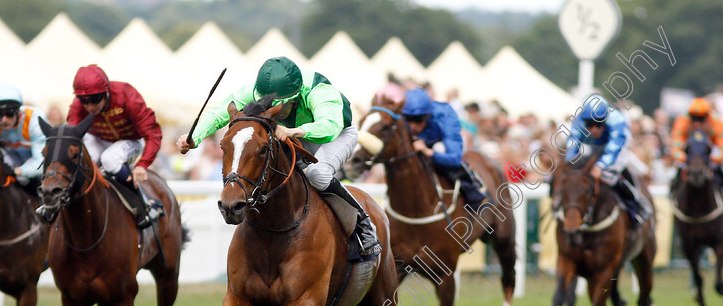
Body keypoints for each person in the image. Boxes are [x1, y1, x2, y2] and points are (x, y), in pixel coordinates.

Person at [176, 56, 380, 257]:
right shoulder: (257, 90)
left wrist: (295, 131)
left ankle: (363, 224)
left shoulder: (319, 90)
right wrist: (194, 137)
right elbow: (220, 113)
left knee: (317, 174)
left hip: (336, 134)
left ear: (295, 95)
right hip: (295, 133)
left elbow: (329, 126)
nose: (274, 107)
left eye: (280, 104)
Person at [67, 64, 163, 227]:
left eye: (95, 100)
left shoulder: (126, 95)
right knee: (84, 159)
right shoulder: (78, 106)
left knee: (109, 158)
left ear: (106, 91)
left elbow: (152, 134)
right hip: (98, 139)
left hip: (131, 141)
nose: (90, 107)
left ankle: (143, 203)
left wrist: (142, 165)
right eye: (84, 101)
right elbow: (70, 135)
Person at [566, 94, 652, 227]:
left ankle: (638, 206)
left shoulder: (617, 121)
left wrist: (600, 165)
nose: (594, 129)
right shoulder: (579, 121)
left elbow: (613, 149)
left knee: (609, 173)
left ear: (605, 120)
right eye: (590, 124)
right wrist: (569, 162)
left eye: (598, 124)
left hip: (617, 144)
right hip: (594, 145)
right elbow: (572, 143)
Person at [401, 87, 486, 209]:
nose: (412, 126)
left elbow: (454, 159)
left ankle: (474, 194)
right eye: (408, 119)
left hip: (444, 145)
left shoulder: (445, 116)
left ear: (428, 115)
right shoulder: (401, 116)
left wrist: (428, 152)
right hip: (421, 143)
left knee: (439, 148)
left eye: (418, 120)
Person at [669, 97, 723, 200]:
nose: (697, 123)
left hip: (710, 154)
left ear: (707, 116)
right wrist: (685, 158)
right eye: (694, 118)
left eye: (701, 119)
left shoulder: (716, 121)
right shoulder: (682, 121)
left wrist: (714, 158)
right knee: (677, 170)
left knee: (722, 168)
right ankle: (672, 193)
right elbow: (675, 147)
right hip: (690, 156)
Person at [0, 82, 48, 189]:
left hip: (33, 162)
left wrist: (16, 172)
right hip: (10, 160)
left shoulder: (34, 120)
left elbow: (41, 163)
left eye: (9, 113)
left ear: (18, 111)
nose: (4, 120)